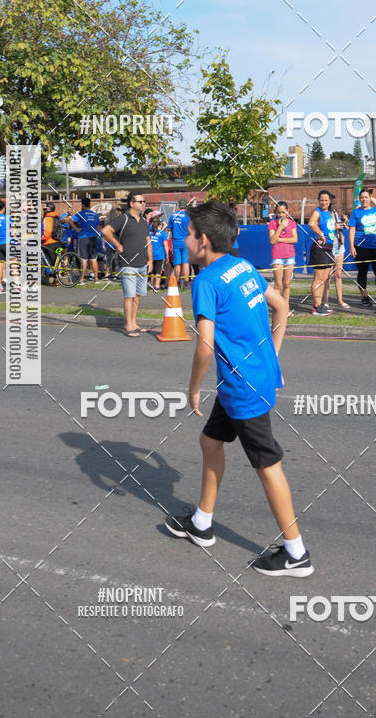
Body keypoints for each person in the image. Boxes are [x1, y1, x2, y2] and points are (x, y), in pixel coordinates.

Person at [164, 201, 314, 578]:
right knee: (211, 442)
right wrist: (271, 354)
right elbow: (281, 307)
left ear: (203, 240)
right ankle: (202, 523)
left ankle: (296, 553)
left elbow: (204, 344)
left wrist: (193, 389)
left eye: (189, 233)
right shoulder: (243, 265)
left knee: (268, 464)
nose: (185, 238)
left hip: (240, 388)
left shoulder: (207, 281)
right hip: (249, 380)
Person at [102, 192, 152, 337]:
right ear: (132, 203)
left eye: (144, 201)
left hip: (142, 263)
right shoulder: (123, 219)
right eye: (141, 201)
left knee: (137, 295)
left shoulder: (143, 221)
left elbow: (148, 241)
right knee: (129, 296)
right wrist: (117, 245)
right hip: (127, 263)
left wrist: (150, 260)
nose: (144, 204)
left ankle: (134, 323)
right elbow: (106, 231)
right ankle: (128, 325)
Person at [307, 190, 336, 315]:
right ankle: (316, 306)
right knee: (318, 279)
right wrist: (321, 234)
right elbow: (311, 223)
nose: (324, 202)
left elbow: (334, 226)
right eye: (321, 200)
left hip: (330, 247)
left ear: (330, 201)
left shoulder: (331, 213)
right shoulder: (317, 212)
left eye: (326, 200)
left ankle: (321, 305)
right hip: (320, 248)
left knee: (325, 278)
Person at [268, 201, 298, 316]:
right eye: (279, 212)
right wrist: (280, 227)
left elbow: (294, 239)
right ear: (276, 212)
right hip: (278, 257)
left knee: (287, 284)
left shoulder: (292, 223)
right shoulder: (272, 224)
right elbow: (272, 241)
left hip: (290, 256)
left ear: (287, 212)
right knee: (278, 285)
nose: (281, 215)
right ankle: (276, 310)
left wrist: (279, 239)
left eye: (283, 212)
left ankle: (286, 309)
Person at [69, 197, 101, 285]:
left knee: (83, 259)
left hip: (83, 238)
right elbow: (98, 226)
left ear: (82, 205)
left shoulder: (80, 214)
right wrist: (96, 233)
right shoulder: (95, 215)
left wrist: (76, 228)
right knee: (94, 259)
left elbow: (70, 220)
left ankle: (81, 280)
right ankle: (96, 278)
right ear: (90, 204)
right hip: (93, 238)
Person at [167, 198, 190, 288]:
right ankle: (186, 283)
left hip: (176, 241)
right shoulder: (188, 216)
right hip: (186, 241)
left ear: (179, 205)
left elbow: (169, 228)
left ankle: (176, 282)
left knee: (177, 263)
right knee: (185, 262)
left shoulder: (173, 216)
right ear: (186, 205)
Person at [149, 215, 169, 290]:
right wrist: (167, 255)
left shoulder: (149, 232)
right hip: (159, 255)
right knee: (158, 271)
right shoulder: (162, 233)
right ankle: (157, 286)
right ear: (160, 224)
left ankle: (151, 284)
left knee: (151, 271)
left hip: (150, 254)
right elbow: (165, 245)